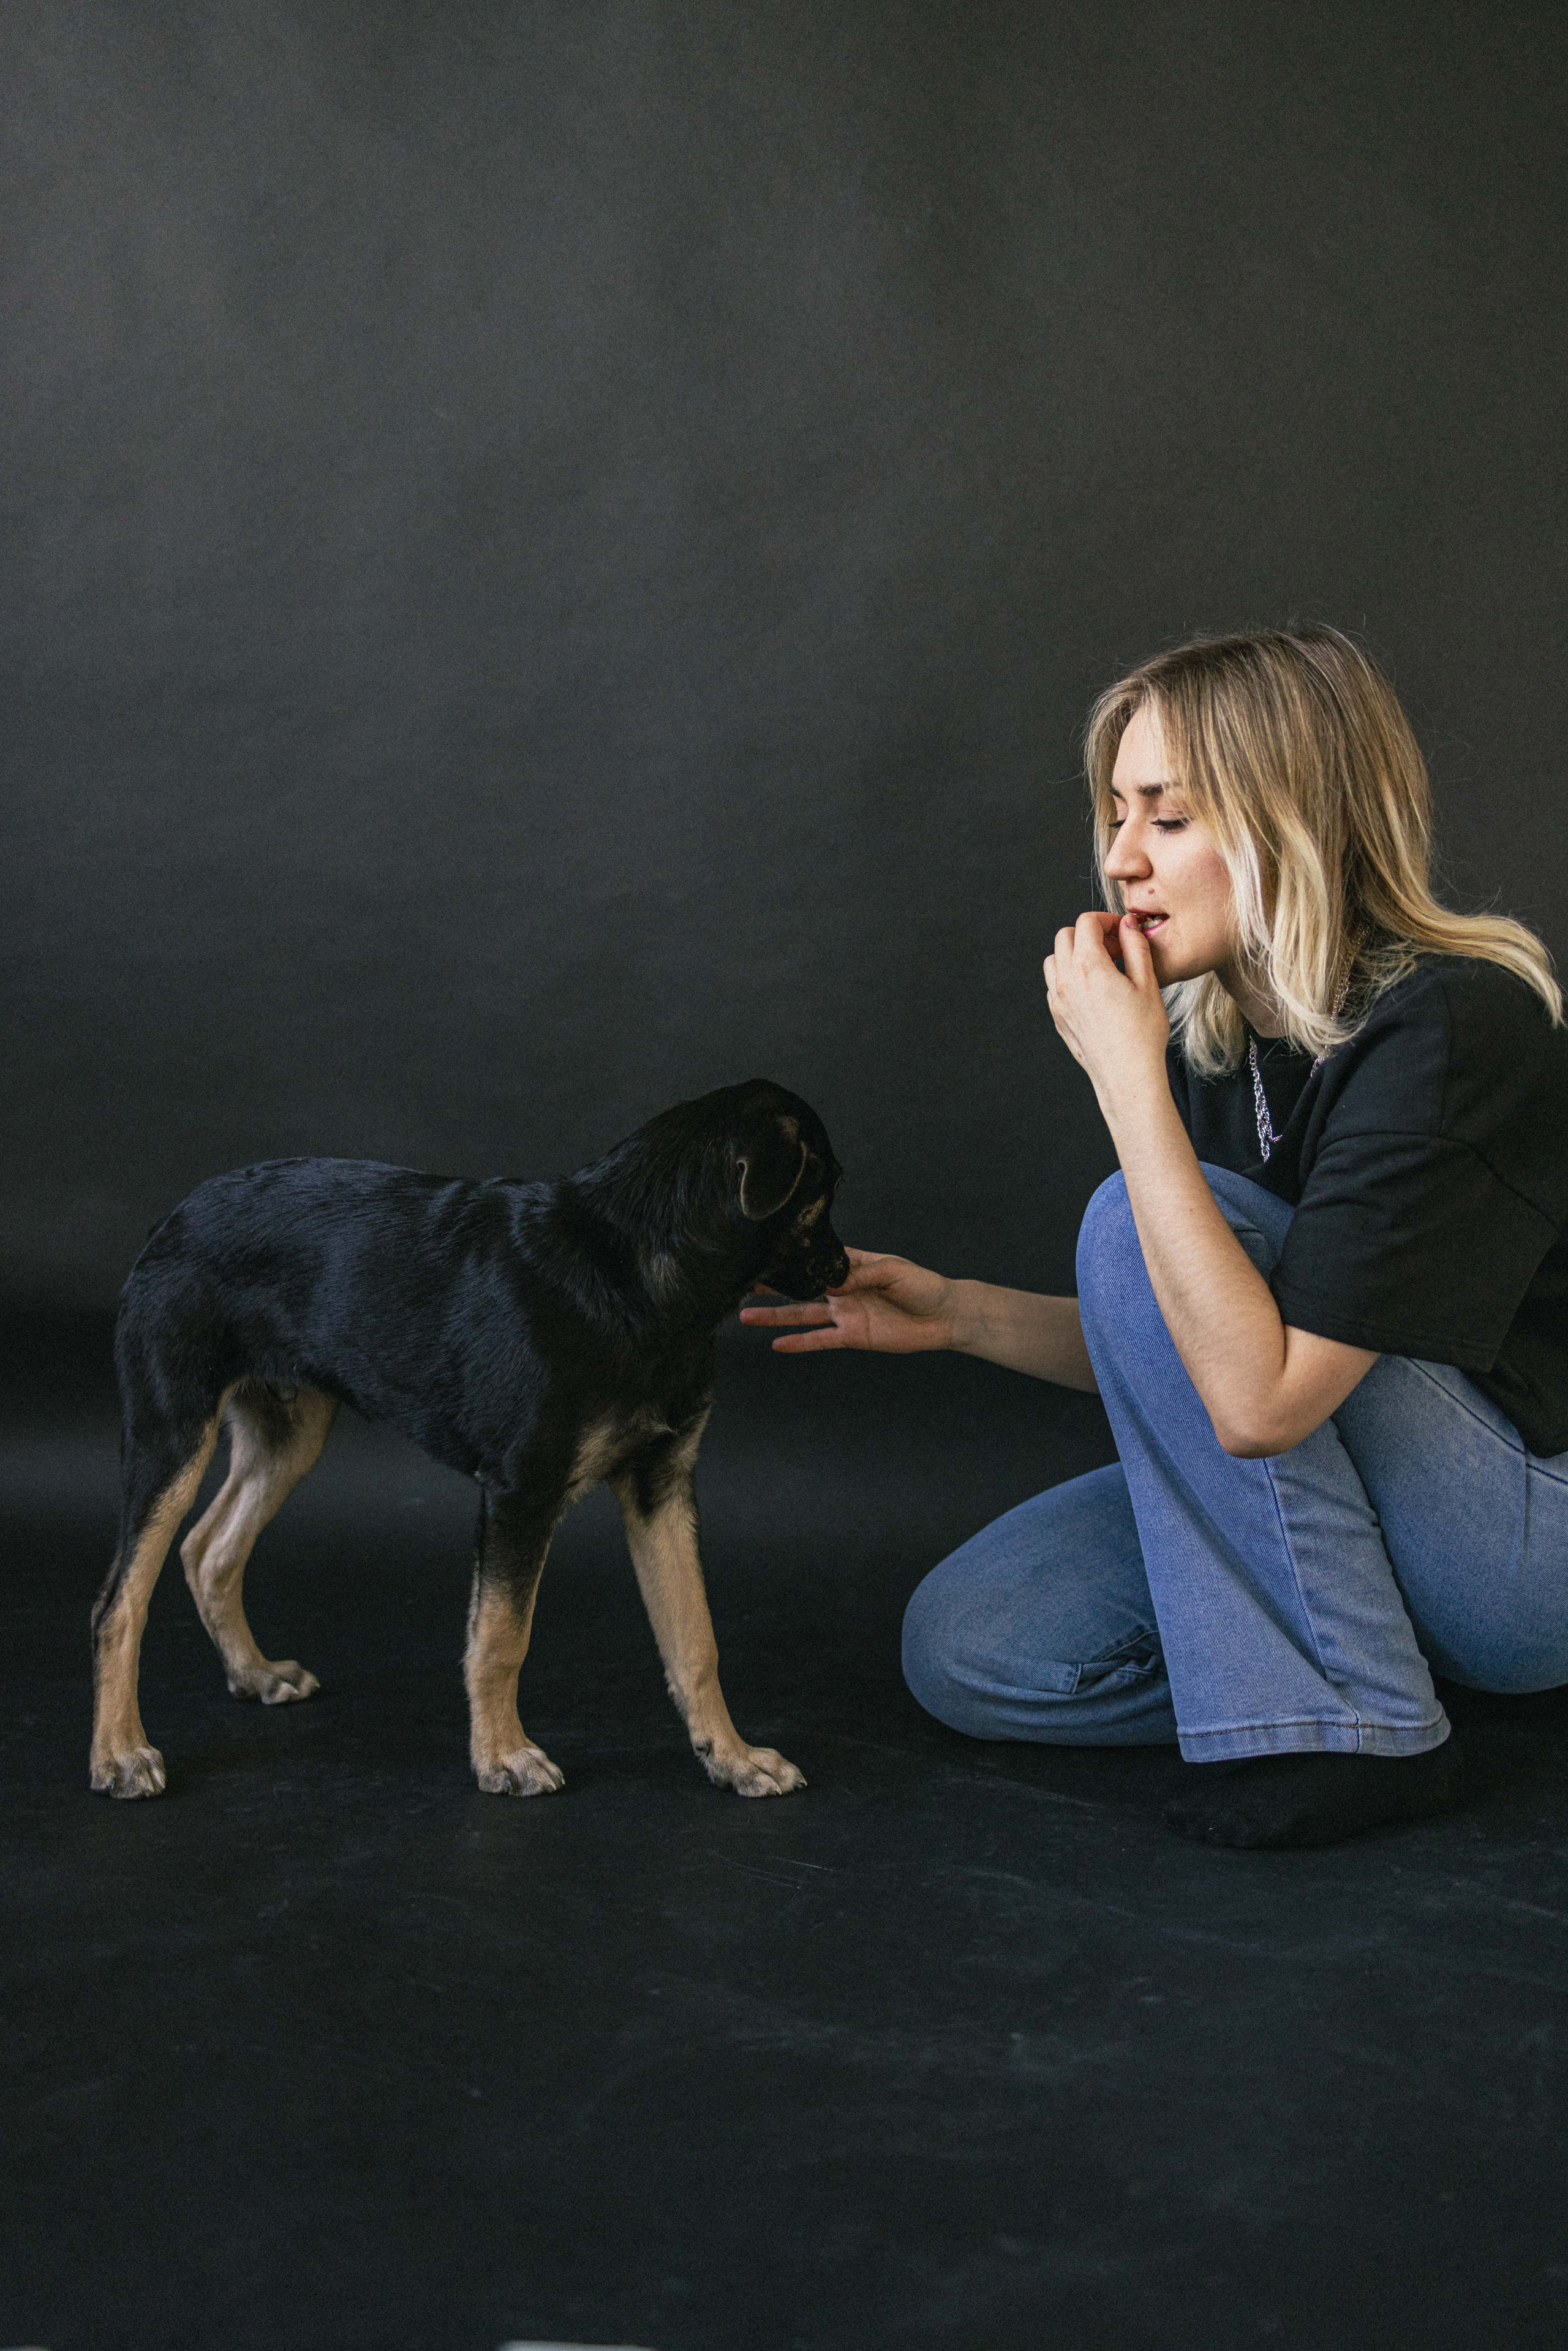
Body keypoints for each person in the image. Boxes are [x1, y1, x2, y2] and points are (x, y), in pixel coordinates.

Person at [741, 626, 1568, 1849]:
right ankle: (1346, 1649)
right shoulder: (1221, 1038)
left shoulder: (1449, 1024)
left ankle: (1352, 1727)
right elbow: (1192, 1337)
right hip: (1365, 1496)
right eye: (1115, 811)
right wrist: (962, 1312)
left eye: (1166, 817)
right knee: (973, 1646)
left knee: (1141, 1209)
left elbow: (1258, 1402)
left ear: (1297, 819)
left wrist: (1125, 1087)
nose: (1119, 857)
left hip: (1518, 1552)